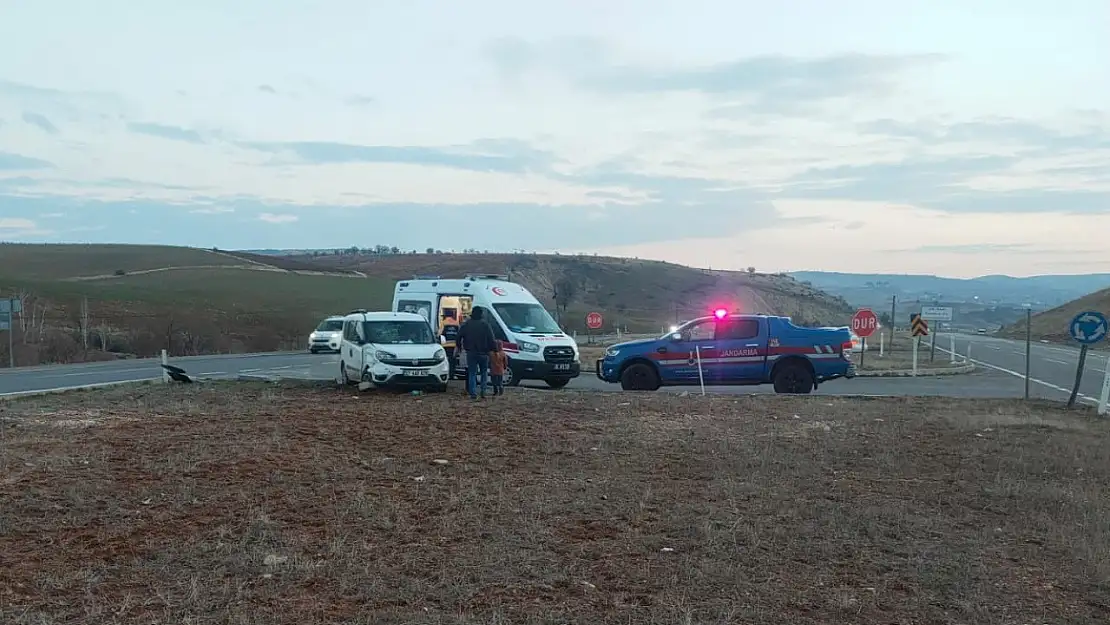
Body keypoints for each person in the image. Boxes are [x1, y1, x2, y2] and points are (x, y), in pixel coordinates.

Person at [456, 306, 496, 399]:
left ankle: (473, 393)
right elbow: (491, 339)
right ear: (481, 314)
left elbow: (458, 336)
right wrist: (494, 349)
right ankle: (483, 391)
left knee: (472, 373)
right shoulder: (485, 325)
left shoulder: (466, 324)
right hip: (484, 352)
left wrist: (459, 346)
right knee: (484, 372)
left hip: (471, 352)